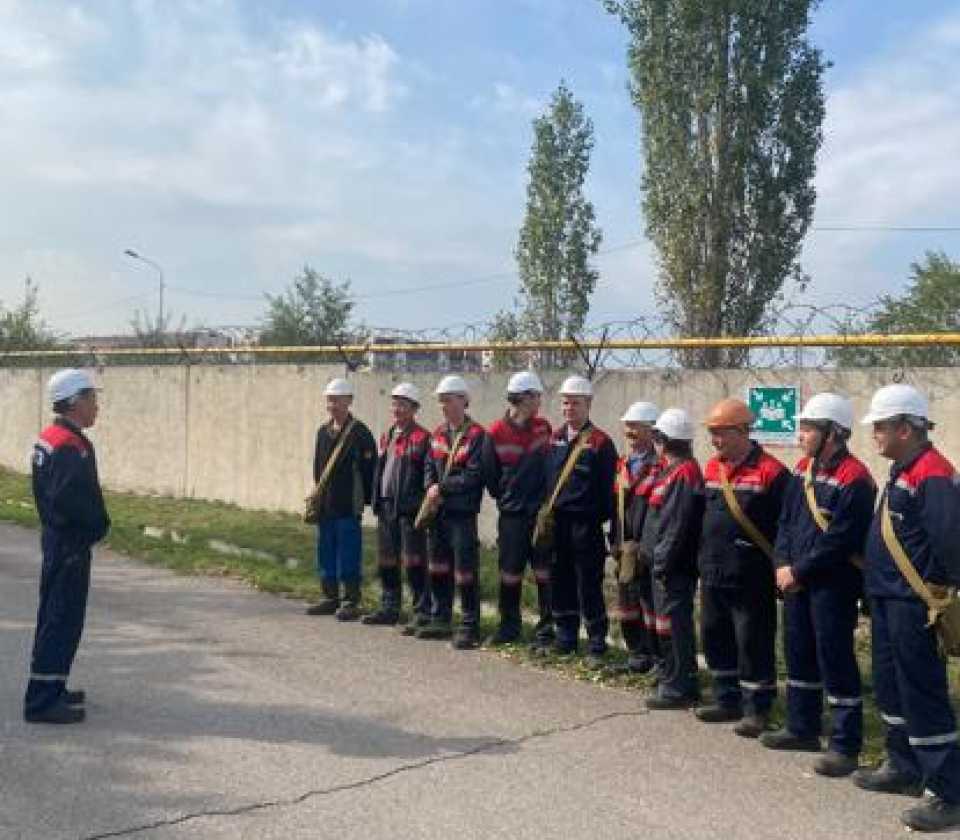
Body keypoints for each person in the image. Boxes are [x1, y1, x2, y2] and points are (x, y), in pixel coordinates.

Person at [852, 384, 960, 833]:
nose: (874, 434)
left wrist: (943, 598)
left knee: (922, 693)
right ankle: (903, 765)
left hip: (913, 604)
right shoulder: (903, 469)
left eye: (880, 426)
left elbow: (950, 541)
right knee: (892, 688)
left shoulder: (931, 473)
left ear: (905, 428)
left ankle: (949, 791)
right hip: (887, 598)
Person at [761, 393, 875, 777]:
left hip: (833, 584)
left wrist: (798, 571)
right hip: (795, 580)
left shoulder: (856, 478)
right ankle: (801, 726)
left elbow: (841, 539)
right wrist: (781, 564)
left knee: (834, 658)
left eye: (808, 429)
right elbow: (786, 522)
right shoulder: (802, 470)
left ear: (833, 433)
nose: (801, 435)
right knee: (798, 652)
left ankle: (844, 745)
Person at [697, 398, 789, 737]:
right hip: (713, 569)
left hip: (751, 574)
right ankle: (726, 699)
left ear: (743, 431)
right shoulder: (711, 468)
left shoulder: (772, 472)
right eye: (712, 433)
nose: (715, 441)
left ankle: (757, 709)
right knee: (714, 634)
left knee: (753, 640)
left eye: (721, 433)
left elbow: (785, 526)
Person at [24, 369, 110, 725]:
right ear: (75, 402)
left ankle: (53, 685)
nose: (96, 406)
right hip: (69, 543)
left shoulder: (55, 437)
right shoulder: (68, 446)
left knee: (59, 616)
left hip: (60, 541)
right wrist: (97, 525)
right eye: (92, 399)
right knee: (61, 618)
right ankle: (41, 701)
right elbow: (69, 501)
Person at [544, 375, 618, 667]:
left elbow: (607, 491)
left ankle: (596, 641)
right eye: (565, 403)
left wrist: (595, 519)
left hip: (586, 526)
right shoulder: (554, 438)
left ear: (588, 404)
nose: (569, 408)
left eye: (575, 403)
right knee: (560, 580)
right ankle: (566, 637)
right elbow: (547, 479)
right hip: (558, 524)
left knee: (588, 584)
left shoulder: (601, 443)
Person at [483, 371, 554, 647]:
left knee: (544, 572)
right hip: (512, 515)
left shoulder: (543, 428)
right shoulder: (495, 433)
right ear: (523, 398)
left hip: (540, 514)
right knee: (510, 573)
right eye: (536, 396)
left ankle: (546, 630)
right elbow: (491, 476)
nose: (539, 402)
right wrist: (508, 497)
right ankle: (509, 627)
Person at [418, 375, 487, 649]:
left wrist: (441, 488)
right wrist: (429, 486)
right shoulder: (437, 434)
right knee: (438, 566)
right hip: (438, 512)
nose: (443, 406)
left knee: (465, 571)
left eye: (447, 400)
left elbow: (474, 476)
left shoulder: (477, 436)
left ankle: (470, 625)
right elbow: (428, 465)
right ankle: (440, 616)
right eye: (440, 401)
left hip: (462, 513)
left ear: (463, 400)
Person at [643, 408, 705, 710]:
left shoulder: (684, 473)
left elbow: (675, 525)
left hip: (673, 567)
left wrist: (662, 563)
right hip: (663, 564)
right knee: (665, 625)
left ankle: (679, 686)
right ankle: (672, 677)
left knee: (674, 625)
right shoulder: (670, 470)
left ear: (663, 440)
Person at [305, 377, 377, 621]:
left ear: (349, 401)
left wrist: (366, 500)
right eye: (330, 400)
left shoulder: (360, 433)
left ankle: (350, 600)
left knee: (349, 552)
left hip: (348, 504)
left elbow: (369, 469)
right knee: (326, 550)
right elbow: (318, 469)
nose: (332, 405)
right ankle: (330, 596)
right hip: (326, 504)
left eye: (337, 400)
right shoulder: (322, 433)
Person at [364, 382, 431, 629]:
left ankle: (421, 611)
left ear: (414, 409)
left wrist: (420, 505)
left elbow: (427, 476)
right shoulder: (388, 435)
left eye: (402, 405)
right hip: (386, 506)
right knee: (387, 561)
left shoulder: (422, 438)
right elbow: (379, 471)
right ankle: (389, 607)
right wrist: (376, 500)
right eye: (394, 404)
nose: (397, 409)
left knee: (414, 562)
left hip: (409, 509)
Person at [609, 400, 662, 673]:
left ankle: (657, 657)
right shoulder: (622, 465)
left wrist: (648, 548)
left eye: (636, 427)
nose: (629, 432)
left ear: (652, 431)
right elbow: (615, 507)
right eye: (627, 426)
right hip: (625, 547)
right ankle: (637, 655)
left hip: (647, 548)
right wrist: (615, 542)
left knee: (650, 604)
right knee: (627, 602)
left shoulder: (660, 467)